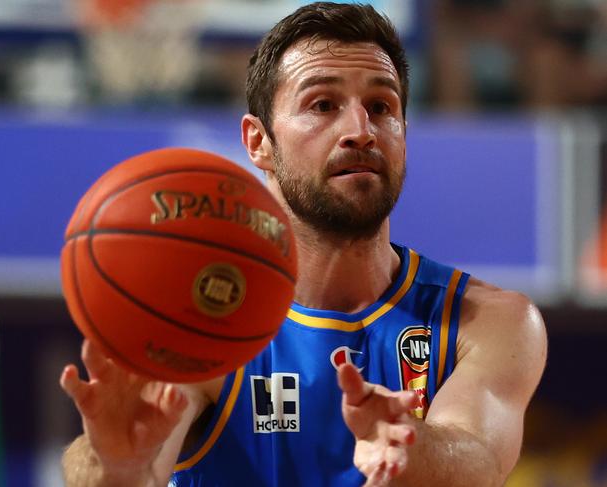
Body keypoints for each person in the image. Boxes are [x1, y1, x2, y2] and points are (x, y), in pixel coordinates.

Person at [59, 2, 547, 486]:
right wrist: (117, 467)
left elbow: (479, 459)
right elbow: (130, 465)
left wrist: (410, 447)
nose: (360, 131)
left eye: (381, 107)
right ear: (258, 143)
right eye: (322, 105)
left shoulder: (491, 321)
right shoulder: (202, 321)